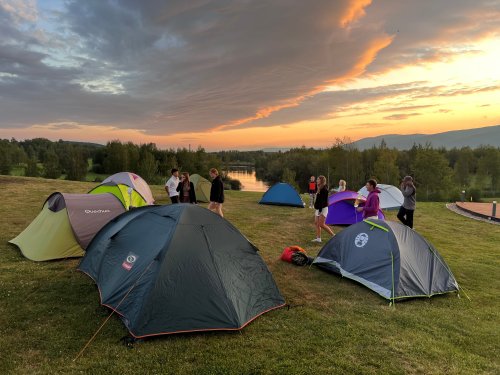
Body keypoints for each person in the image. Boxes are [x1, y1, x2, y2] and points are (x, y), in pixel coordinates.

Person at [312, 175, 335, 242]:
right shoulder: (319, 187)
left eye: (318, 179)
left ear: (321, 181)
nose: (317, 180)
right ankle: (318, 238)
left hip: (323, 208)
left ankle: (333, 235)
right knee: (316, 223)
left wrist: (320, 210)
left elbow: (323, 201)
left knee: (321, 224)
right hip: (318, 208)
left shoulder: (324, 189)